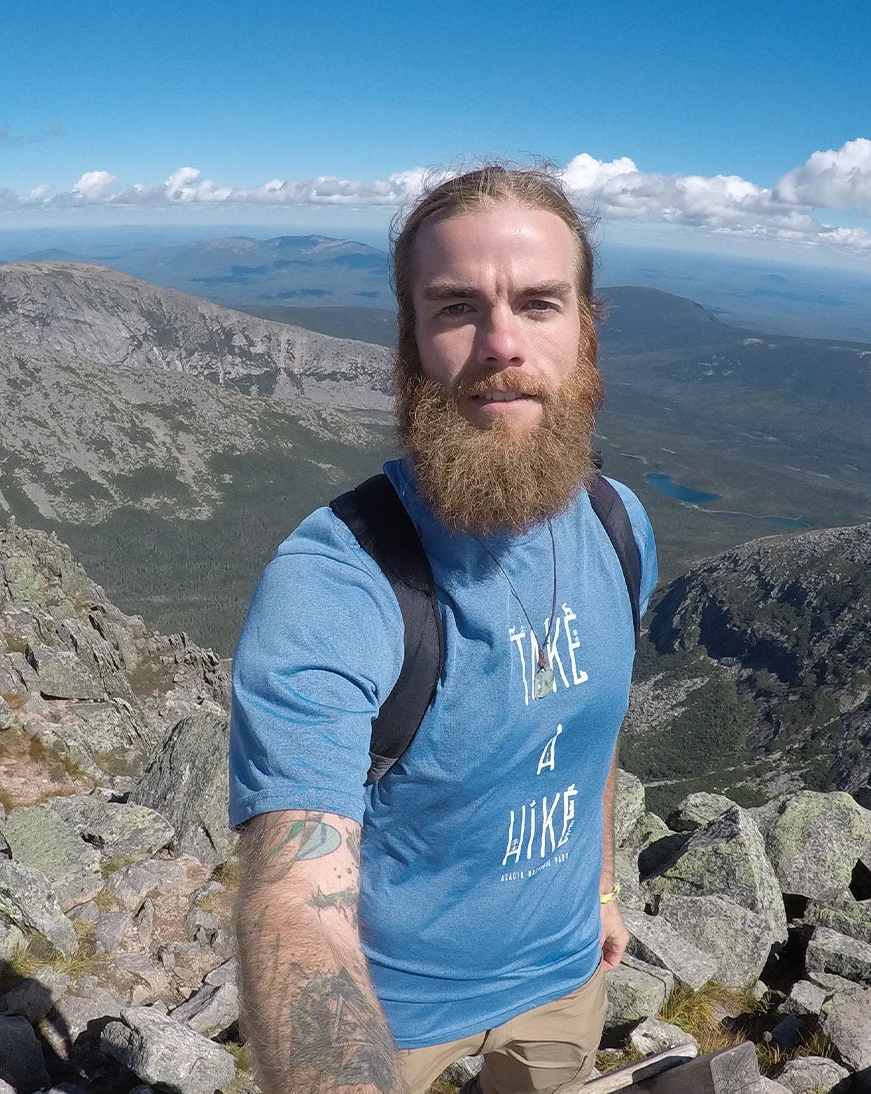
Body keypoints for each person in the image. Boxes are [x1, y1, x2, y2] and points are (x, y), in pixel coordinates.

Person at [229, 164, 656, 1094]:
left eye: (539, 304)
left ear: (585, 333)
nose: (500, 343)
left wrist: (603, 886)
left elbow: (594, 720)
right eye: (457, 307)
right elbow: (296, 898)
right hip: (389, 1017)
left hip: (564, 976)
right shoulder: (337, 579)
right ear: (410, 342)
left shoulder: (621, 528)